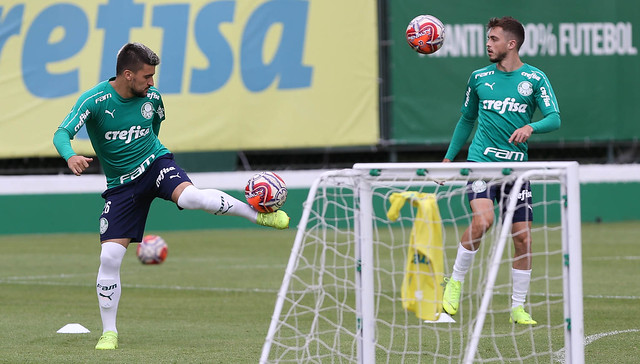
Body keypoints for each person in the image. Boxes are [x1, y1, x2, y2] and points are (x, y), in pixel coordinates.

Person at [52, 42, 290, 350]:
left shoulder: (152, 98)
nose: (152, 83)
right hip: (122, 187)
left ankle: (257, 214)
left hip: (156, 164)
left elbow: (154, 127)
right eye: (147, 76)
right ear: (127, 75)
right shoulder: (94, 100)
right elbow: (61, 133)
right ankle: (109, 332)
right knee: (109, 257)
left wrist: (152, 156)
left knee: (191, 198)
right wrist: (70, 155)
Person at [441, 17, 561, 324]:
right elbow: (467, 120)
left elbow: (554, 118)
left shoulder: (534, 79)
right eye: (488, 38)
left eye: (493, 39)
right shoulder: (479, 78)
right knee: (483, 220)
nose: (488, 44)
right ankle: (454, 283)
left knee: (523, 238)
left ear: (512, 44)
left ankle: (518, 307)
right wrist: (449, 159)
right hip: (481, 163)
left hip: (516, 170)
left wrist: (530, 127)